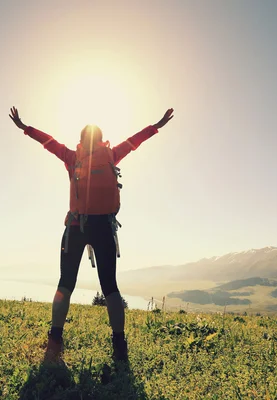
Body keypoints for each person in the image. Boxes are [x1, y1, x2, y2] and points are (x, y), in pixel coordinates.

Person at [9, 106, 174, 363]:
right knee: (110, 287)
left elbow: (48, 142)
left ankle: (54, 342)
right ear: (101, 139)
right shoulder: (111, 155)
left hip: (76, 227)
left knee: (65, 284)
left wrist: (25, 128)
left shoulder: (72, 157)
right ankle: (119, 344)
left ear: (81, 139)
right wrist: (157, 125)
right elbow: (135, 141)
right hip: (104, 228)